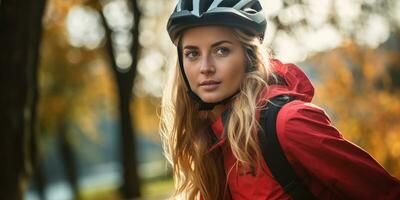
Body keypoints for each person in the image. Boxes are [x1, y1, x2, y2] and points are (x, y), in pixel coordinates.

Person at [160, 0, 400, 199]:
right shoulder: (207, 139)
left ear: (249, 57)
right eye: (192, 53)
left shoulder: (287, 124)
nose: (205, 67)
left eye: (221, 50)